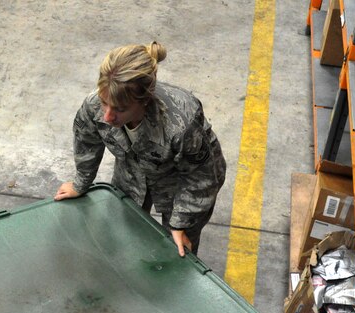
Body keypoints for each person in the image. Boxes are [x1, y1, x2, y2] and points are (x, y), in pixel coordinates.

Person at [55, 42, 226, 257]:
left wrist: (181, 223)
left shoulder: (181, 124)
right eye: (104, 102)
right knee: (122, 228)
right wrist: (81, 182)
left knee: (177, 250)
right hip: (132, 166)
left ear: (145, 100)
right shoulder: (94, 105)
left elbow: (200, 178)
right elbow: (86, 141)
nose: (107, 116)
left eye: (120, 109)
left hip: (181, 179)